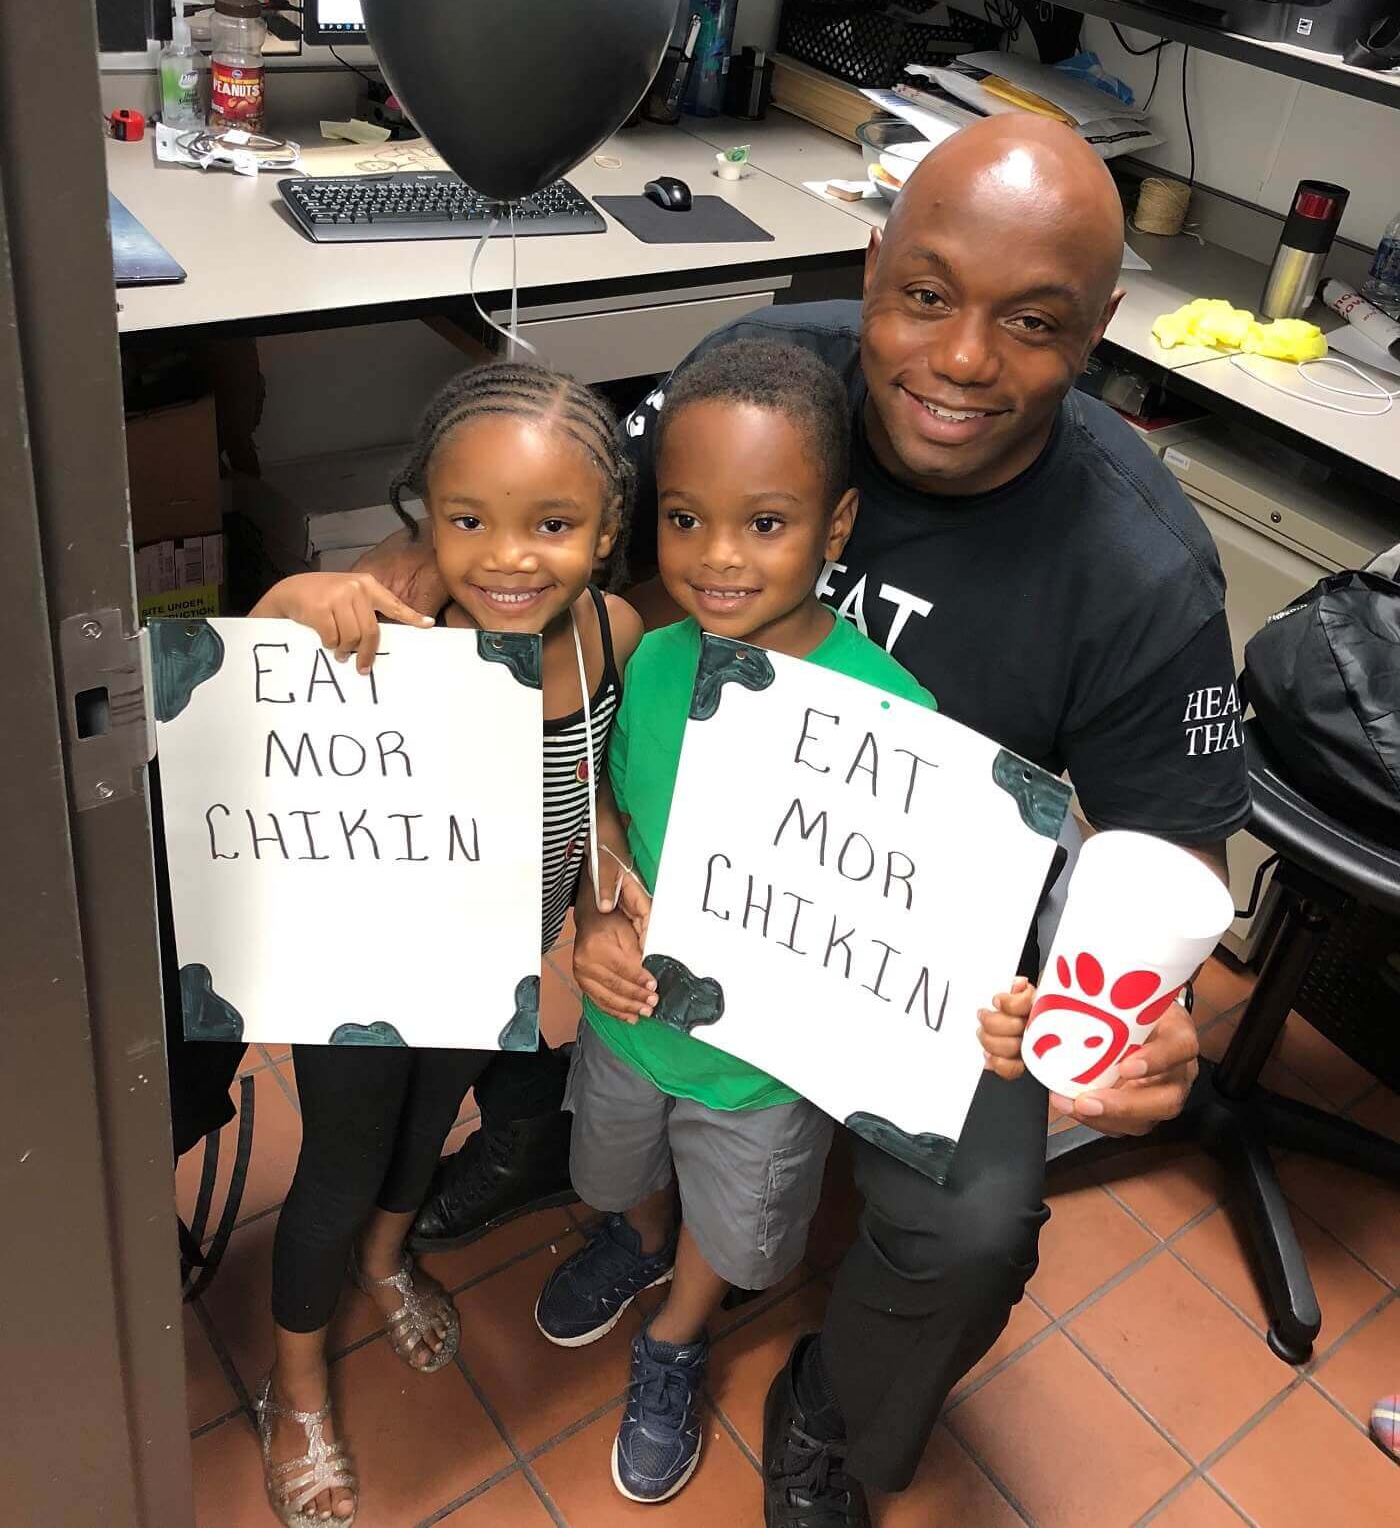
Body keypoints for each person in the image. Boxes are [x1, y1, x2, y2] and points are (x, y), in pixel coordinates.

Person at [363, 114, 1247, 1523]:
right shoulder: (750, 381)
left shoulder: (1140, 570)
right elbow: (564, 520)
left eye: (1035, 322)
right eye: (926, 295)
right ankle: (551, 1139)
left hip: (946, 958)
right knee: (495, 839)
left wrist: (1157, 996)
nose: (963, 360)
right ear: (872, 254)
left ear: (1103, 329)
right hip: (660, 842)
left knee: (971, 1221)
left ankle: (840, 1406)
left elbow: (1175, 853)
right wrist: (413, 562)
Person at [531, 341, 1037, 1504]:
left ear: (836, 522)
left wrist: (989, 1007)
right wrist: (599, 897)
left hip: (764, 1071)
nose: (716, 557)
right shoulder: (650, 659)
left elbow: (934, 912)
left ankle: (679, 1326)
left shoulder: (892, 715)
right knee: (615, 1165)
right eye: (685, 517)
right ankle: (640, 1242)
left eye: (763, 523)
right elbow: (601, 801)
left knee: (739, 1217)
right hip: (632, 1016)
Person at [248, 362, 643, 1526]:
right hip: (364, 967)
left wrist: (599, 889)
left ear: (607, 528)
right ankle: (297, 1377)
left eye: (553, 524)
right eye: (468, 519)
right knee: (340, 1154)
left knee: (429, 1126)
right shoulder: (385, 616)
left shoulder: (611, 632)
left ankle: (383, 1258)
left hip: (493, 960)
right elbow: (250, 671)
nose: (508, 556)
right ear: (424, 509)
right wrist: (288, 604)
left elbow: (594, 787)